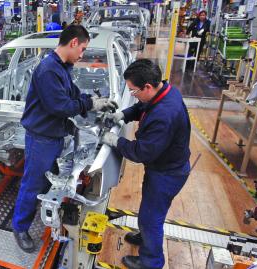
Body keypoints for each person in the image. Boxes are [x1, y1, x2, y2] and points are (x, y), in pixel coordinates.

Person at [12, 25, 118, 253]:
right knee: (33, 183)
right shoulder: (48, 70)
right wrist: (89, 105)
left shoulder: (62, 67)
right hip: (42, 137)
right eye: (82, 48)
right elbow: (59, 106)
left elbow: (72, 94)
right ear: (73, 43)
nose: (82, 54)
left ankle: (44, 209)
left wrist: (92, 100)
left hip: (55, 134)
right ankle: (20, 227)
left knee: (49, 179)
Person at [101, 59, 191, 269]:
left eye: (134, 91)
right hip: (166, 167)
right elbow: (143, 105)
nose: (133, 94)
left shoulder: (164, 115)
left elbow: (142, 152)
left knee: (151, 218)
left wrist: (116, 141)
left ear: (148, 86)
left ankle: (151, 262)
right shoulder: (165, 91)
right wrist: (123, 115)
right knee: (148, 210)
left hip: (168, 173)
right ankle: (145, 237)